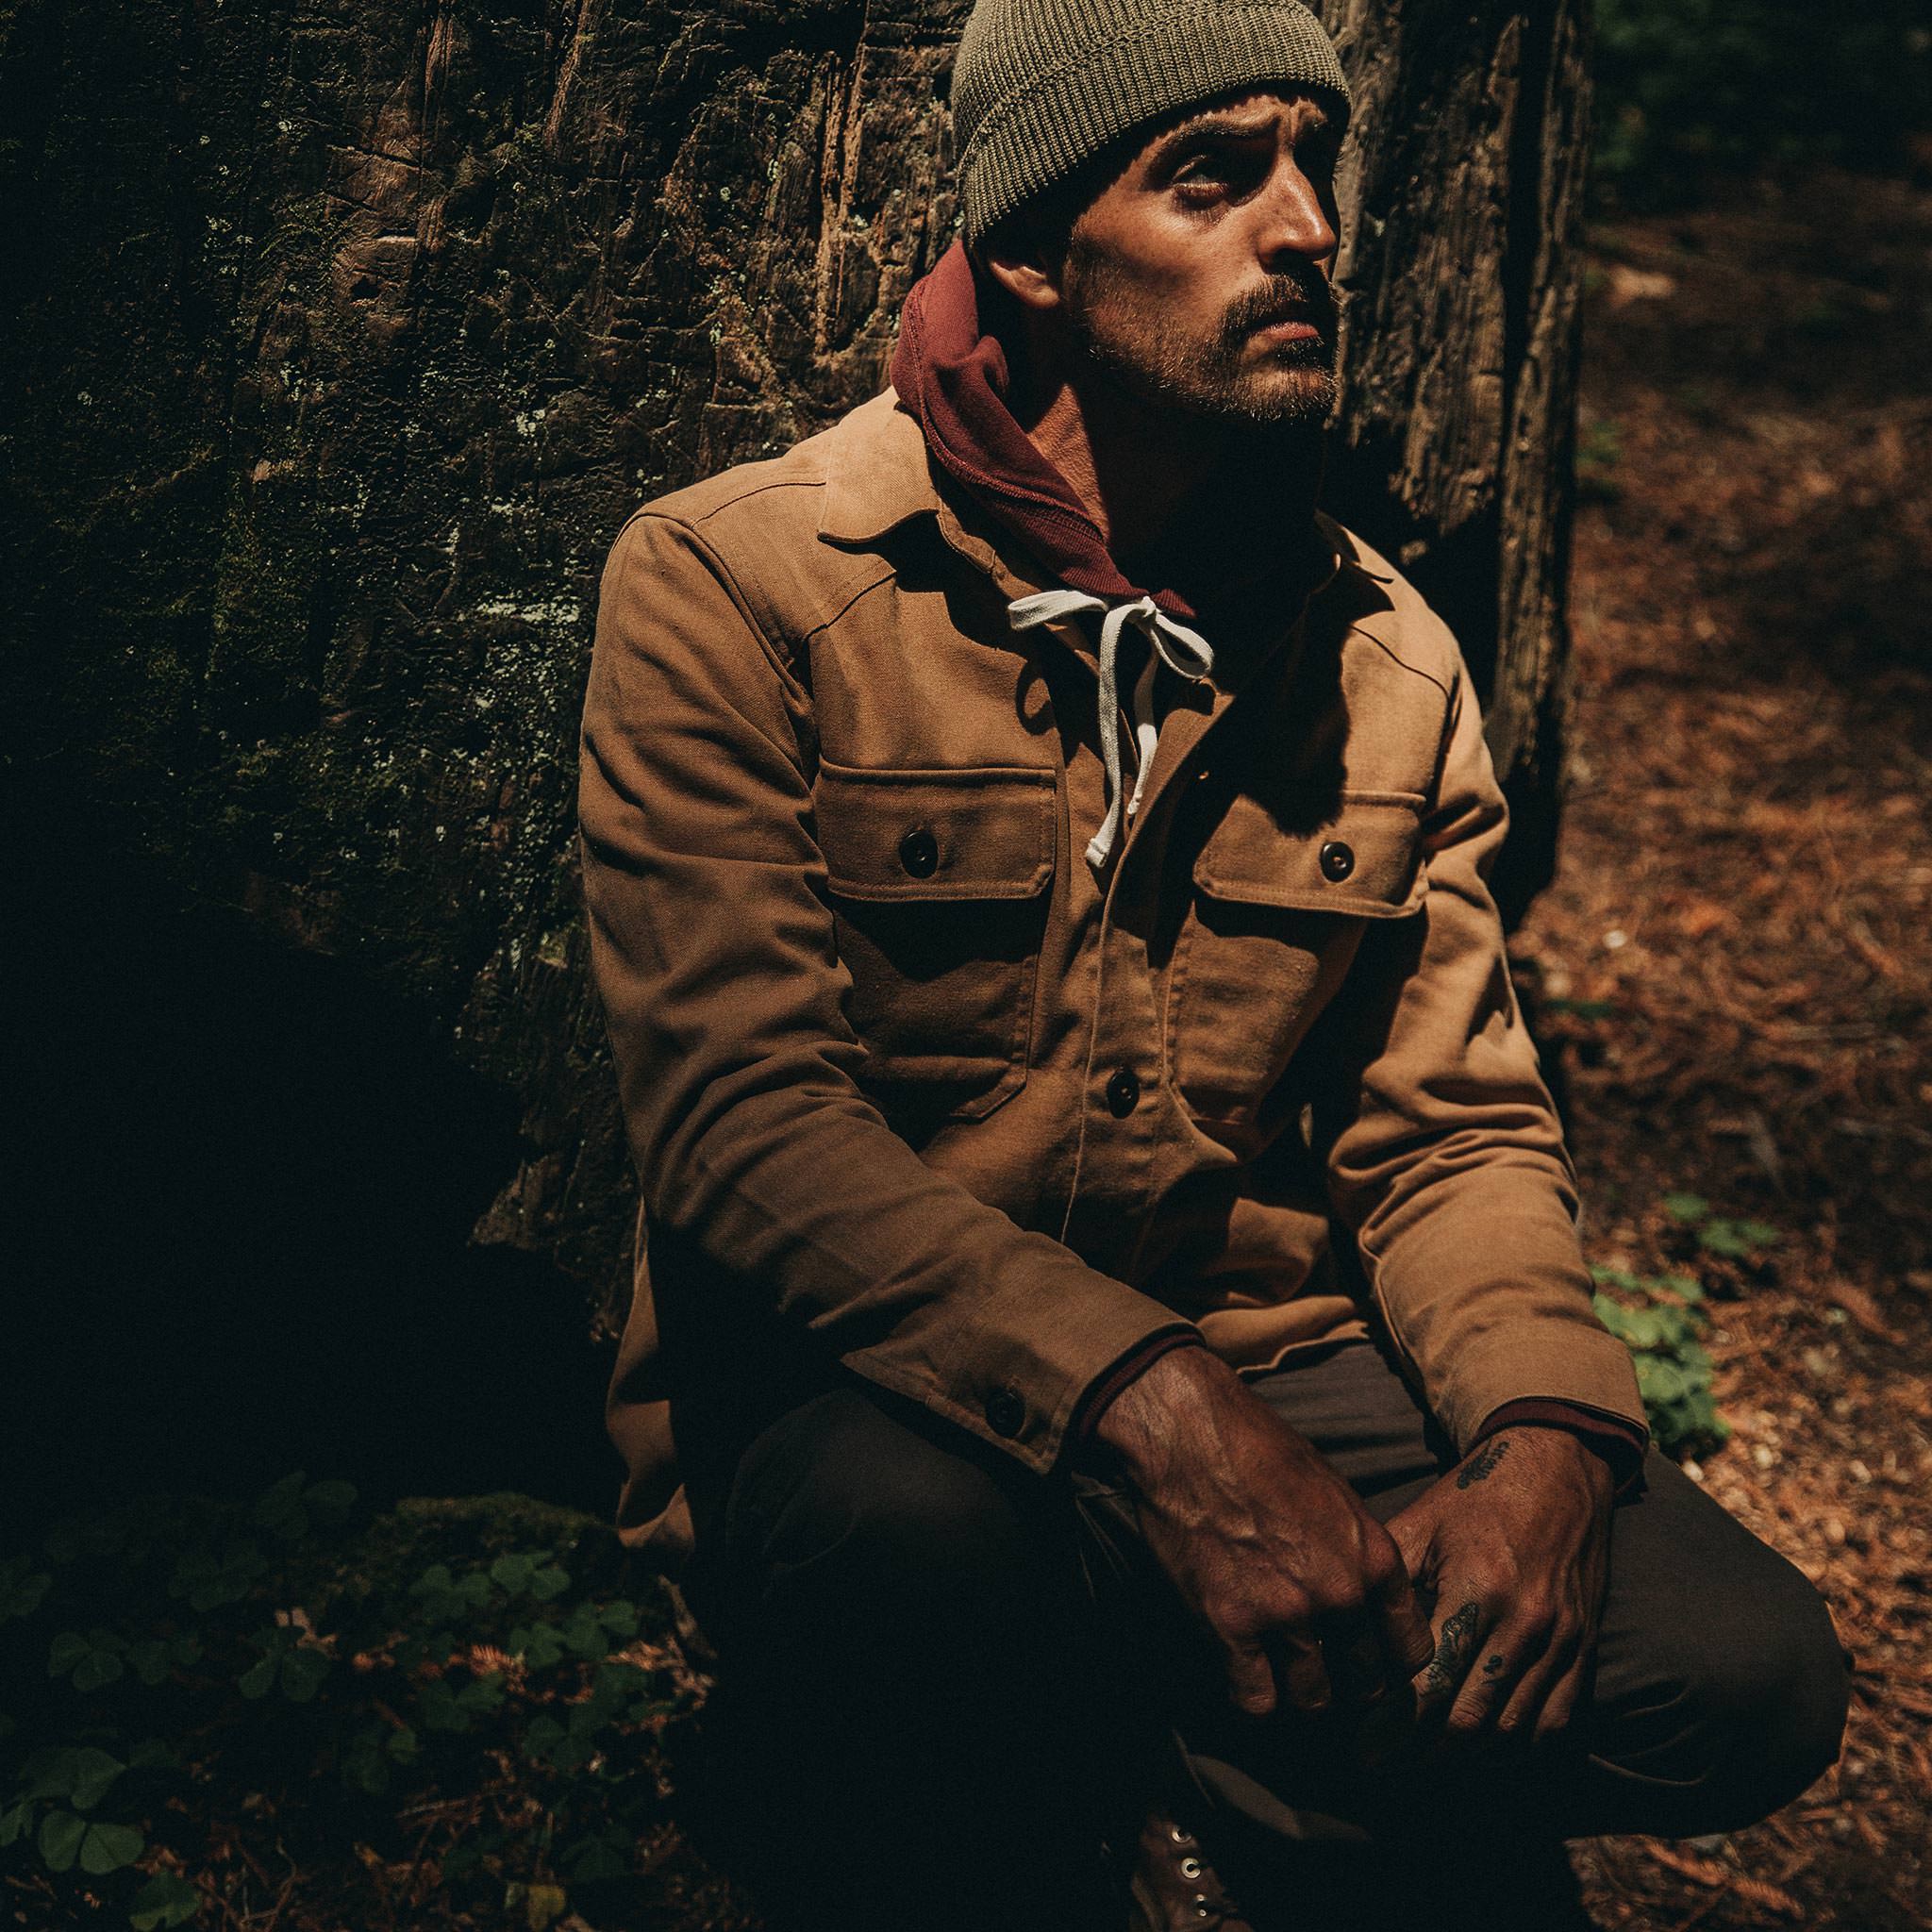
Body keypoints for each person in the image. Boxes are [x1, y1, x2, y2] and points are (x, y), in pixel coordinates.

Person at [575, 3, 1849, 1924]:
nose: (1309, 224)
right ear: (1034, 251)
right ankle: (1125, 1790)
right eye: (1212, 175)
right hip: (898, 1401)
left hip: (1283, 1373)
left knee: (1745, 1673)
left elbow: (1453, 1133)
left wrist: (1545, 1436)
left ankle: (1188, 1743)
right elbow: (743, 1127)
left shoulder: (1385, 653)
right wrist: (1154, 1412)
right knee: (907, 1545)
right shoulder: (739, 584)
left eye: (1312, 163)